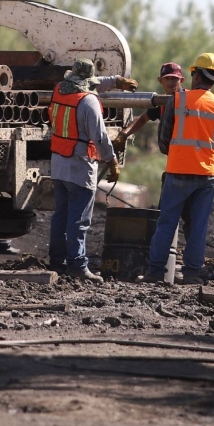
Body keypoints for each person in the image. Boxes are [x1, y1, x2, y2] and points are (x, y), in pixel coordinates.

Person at [48, 58, 137, 283]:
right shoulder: (88, 102)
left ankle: (57, 263)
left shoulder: (59, 89)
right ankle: (78, 265)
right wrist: (113, 161)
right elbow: (100, 137)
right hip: (80, 167)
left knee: (61, 216)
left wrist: (116, 81)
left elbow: (93, 83)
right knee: (79, 220)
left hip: (59, 164)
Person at [144, 53, 214, 285]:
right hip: (207, 175)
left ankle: (155, 273)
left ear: (196, 74)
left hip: (178, 170)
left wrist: (177, 154)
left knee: (167, 223)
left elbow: (164, 138)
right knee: (198, 226)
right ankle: (192, 273)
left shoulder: (179, 100)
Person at [114, 62, 193, 241]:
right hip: (175, 164)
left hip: (193, 164)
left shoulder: (189, 100)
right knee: (167, 213)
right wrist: (124, 134)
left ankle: (187, 256)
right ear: (160, 81)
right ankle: (167, 252)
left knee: (190, 216)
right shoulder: (162, 103)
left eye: (175, 79)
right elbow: (142, 119)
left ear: (182, 80)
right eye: (168, 79)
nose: (172, 83)